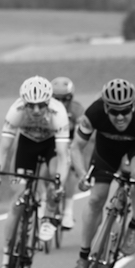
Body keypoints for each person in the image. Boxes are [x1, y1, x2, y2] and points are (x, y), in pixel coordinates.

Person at [70, 78, 135, 268]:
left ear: (133, 105)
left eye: (125, 110)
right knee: (95, 199)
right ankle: (83, 258)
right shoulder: (94, 113)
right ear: (105, 107)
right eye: (114, 111)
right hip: (106, 151)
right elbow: (76, 147)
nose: (120, 116)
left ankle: (134, 226)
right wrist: (82, 174)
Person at [0, 76, 71, 268]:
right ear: (23, 102)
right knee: (18, 201)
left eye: (40, 105)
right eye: (30, 106)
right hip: (27, 144)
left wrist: (59, 183)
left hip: (51, 144)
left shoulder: (58, 112)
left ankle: (49, 216)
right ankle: (6, 262)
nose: (35, 111)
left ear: (48, 102)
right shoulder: (15, 111)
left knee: (53, 176)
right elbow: (3, 149)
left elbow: (63, 156)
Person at [50, 76, 85, 230]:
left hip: (69, 142)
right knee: (47, 170)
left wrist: (71, 147)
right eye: (57, 99)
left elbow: (80, 136)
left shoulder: (77, 110)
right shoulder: (48, 109)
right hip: (51, 142)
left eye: (66, 99)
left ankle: (68, 212)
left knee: (69, 170)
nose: (62, 103)